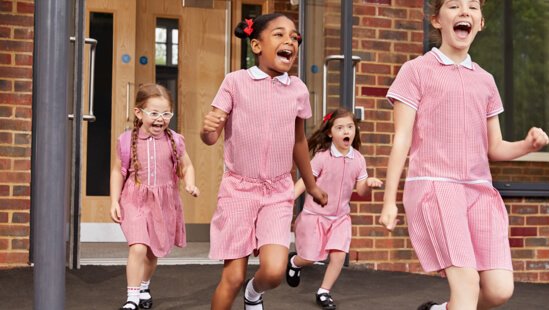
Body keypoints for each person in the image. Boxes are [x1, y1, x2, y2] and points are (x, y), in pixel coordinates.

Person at [378, 1, 549, 309]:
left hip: (480, 191)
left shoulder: (485, 80)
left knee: (498, 290)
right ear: (436, 20)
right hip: (435, 187)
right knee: (467, 286)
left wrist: (527, 145)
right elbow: (401, 139)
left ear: (481, 22)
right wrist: (390, 200)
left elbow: (494, 148)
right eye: (454, 5)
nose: (464, 11)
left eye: (472, 6)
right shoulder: (416, 71)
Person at [200, 13, 328, 310]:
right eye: (279, 35)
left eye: (294, 37)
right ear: (256, 45)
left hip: (278, 191)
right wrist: (207, 130)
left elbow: (299, 142)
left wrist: (311, 186)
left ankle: (253, 294)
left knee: (273, 272)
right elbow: (211, 136)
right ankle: (240, 291)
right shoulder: (235, 82)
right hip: (239, 191)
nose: (290, 42)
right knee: (232, 277)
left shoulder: (297, 88)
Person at [110, 83, 199, 310]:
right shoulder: (126, 140)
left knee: (152, 253)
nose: (160, 119)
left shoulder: (175, 141)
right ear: (139, 113)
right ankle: (131, 298)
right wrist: (113, 201)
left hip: (163, 202)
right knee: (138, 247)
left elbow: (187, 166)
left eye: (166, 113)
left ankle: (144, 285)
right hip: (134, 200)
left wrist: (190, 184)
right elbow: (118, 171)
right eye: (154, 113)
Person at [285, 108, 383, 310]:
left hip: (340, 218)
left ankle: (323, 292)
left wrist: (369, 183)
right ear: (330, 133)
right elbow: (306, 181)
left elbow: (361, 190)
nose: (346, 131)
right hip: (315, 216)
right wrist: (288, 200)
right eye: (339, 128)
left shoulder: (358, 160)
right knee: (310, 258)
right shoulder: (322, 157)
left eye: (349, 127)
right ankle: (295, 262)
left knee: (338, 255)